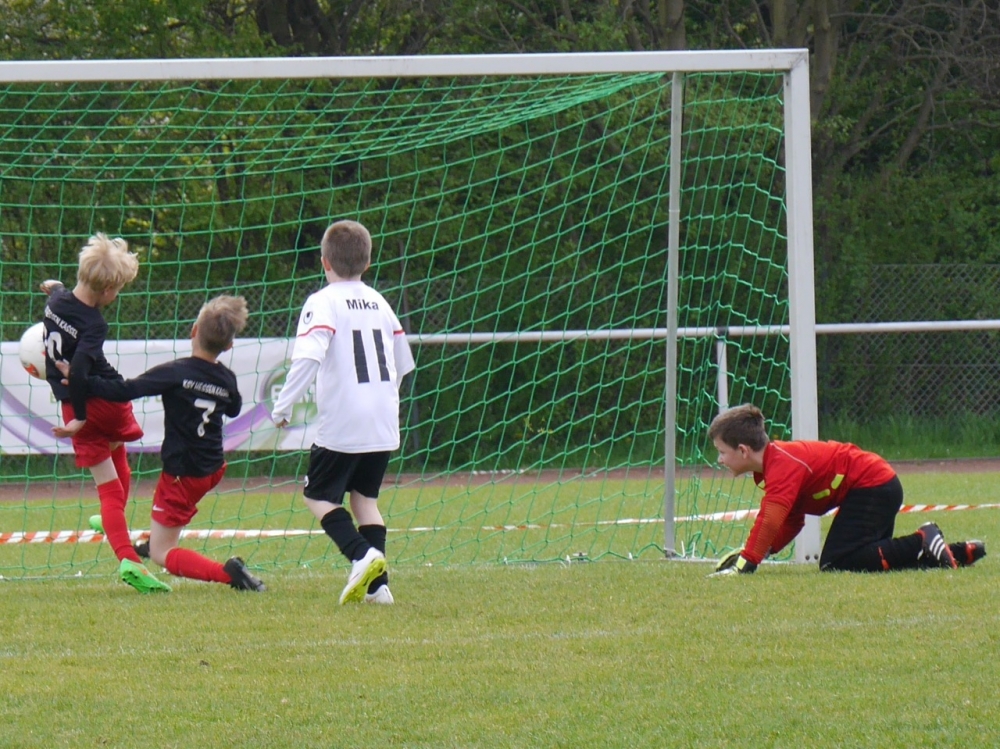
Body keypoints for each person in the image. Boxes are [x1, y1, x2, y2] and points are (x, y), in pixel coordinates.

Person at [60, 295, 265, 592]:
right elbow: (233, 409)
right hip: (212, 468)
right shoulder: (227, 378)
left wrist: (83, 380)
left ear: (194, 330)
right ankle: (156, 539)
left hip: (183, 475)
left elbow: (125, 390)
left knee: (162, 554)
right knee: (167, 522)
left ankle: (229, 575)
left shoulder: (175, 372)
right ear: (229, 346)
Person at [271, 219, 415, 605]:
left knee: (316, 495)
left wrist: (283, 407)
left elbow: (308, 357)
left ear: (324, 262)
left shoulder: (323, 301)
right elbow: (404, 363)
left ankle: (361, 555)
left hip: (345, 421)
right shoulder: (380, 302)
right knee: (365, 500)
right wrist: (384, 400)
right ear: (367, 263)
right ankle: (379, 588)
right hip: (383, 420)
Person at [707, 404, 986, 575]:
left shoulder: (781, 465)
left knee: (837, 561)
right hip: (878, 486)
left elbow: (769, 519)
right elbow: (792, 520)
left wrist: (747, 563)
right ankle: (954, 553)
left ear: (743, 450)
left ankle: (923, 539)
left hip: (872, 486)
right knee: (866, 557)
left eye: (721, 452)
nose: (719, 460)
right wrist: (759, 552)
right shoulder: (773, 464)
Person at [42, 233, 171, 594]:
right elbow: (80, 372)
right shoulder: (94, 323)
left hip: (75, 403)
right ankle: (129, 559)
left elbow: (58, 292)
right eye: (118, 290)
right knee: (115, 474)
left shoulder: (55, 303)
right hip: (104, 403)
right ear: (108, 289)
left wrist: (53, 285)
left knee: (107, 479)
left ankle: (110, 522)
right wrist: (82, 416)